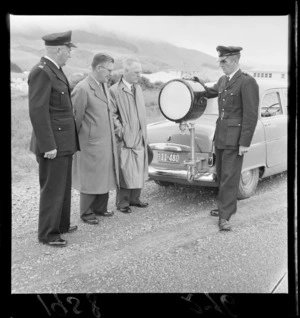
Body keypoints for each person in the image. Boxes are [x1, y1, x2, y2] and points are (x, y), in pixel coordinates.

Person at [190, 46, 259, 231]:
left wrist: (245, 142)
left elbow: (251, 115)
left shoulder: (247, 82)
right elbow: (208, 92)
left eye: (224, 61)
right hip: (220, 136)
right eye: (219, 61)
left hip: (235, 139)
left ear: (235, 61)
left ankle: (225, 216)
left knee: (230, 177)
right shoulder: (223, 80)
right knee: (221, 174)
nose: (221, 65)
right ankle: (224, 206)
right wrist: (193, 84)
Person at [28, 30, 80, 247]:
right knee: (52, 188)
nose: (70, 54)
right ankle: (48, 233)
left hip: (64, 142)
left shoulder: (55, 70)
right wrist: (48, 145)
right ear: (59, 49)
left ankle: (61, 225)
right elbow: (38, 111)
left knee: (63, 185)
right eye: (68, 50)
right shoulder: (42, 72)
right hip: (53, 145)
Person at [71, 53, 119, 225]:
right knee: (90, 177)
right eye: (108, 70)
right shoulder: (82, 88)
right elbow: (75, 119)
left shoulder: (103, 85)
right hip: (89, 143)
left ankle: (100, 208)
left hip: (105, 142)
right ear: (99, 68)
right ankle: (86, 212)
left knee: (104, 174)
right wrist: (74, 143)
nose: (110, 74)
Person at [110, 58, 149, 213]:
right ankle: (123, 202)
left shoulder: (137, 88)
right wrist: (122, 132)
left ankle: (135, 198)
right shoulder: (114, 90)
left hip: (140, 134)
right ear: (125, 71)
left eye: (140, 72)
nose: (139, 75)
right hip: (125, 137)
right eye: (136, 72)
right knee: (125, 169)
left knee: (139, 167)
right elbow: (112, 116)